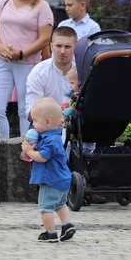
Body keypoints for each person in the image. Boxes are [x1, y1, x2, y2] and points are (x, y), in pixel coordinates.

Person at [0, 0, 54, 138]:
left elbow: (45, 38)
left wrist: (22, 53)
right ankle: (2, 145)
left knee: (26, 109)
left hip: (27, 63)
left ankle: (26, 147)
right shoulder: (4, 1)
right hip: (3, 60)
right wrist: (0, 47)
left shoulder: (41, 6)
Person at [21, 98, 76, 243]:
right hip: (62, 179)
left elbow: (42, 157)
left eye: (35, 121)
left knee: (46, 208)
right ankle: (67, 225)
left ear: (47, 121)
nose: (33, 124)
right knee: (60, 204)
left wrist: (29, 151)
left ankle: (50, 233)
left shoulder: (49, 140)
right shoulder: (55, 136)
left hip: (50, 180)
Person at [25, 26, 77, 118]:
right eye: (58, 46)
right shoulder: (38, 72)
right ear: (51, 47)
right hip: (46, 126)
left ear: (75, 48)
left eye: (67, 47)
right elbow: (31, 112)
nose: (62, 51)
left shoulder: (82, 71)